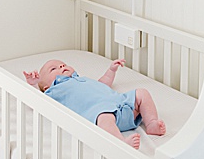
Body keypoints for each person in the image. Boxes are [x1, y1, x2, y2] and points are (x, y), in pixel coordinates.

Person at [24, 58, 166, 149]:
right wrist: (33, 85)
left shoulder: (82, 79)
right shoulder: (53, 91)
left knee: (141, 93)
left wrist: (111, 70)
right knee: (104, 116)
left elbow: (103, 84)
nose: (61, 66)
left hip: (121, 104)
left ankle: (151, 123)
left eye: (63, 64)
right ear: (46, 87)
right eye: (54, 69)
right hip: (103, 114)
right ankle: (120, 143)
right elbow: (36, 102)